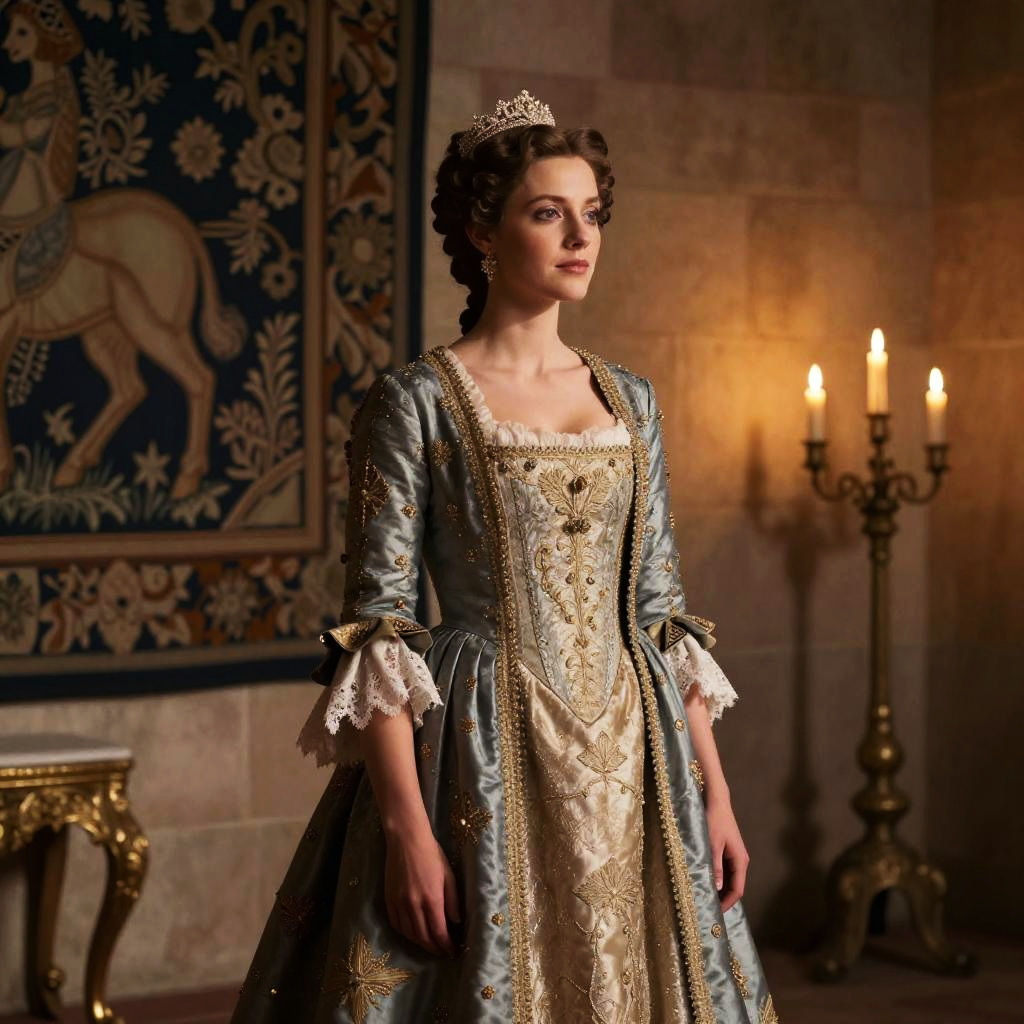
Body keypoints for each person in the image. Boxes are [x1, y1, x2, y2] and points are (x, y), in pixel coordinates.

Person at [232, 90, 777, 1024]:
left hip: (636, 759)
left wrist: (716, 796)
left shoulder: (631, 400)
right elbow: (383, 631)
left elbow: (660, 612)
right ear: (484, 230)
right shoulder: (417, 400)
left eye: (592, 214)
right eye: (547, 212)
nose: (581, 236)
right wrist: (407, 829)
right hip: (481, 750)